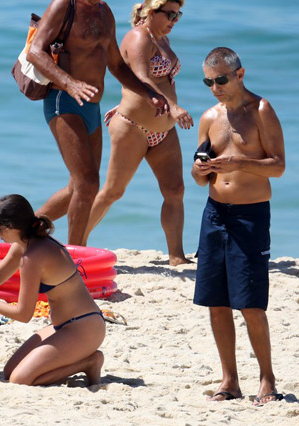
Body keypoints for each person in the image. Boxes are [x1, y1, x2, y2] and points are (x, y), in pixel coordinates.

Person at [25, 0, 169, 246]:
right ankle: (75, 255)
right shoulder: (64, 6)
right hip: (63, 100)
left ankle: (23, 231)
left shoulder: (105, 12)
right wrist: (70, 83)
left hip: (92, 106)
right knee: (88, 183)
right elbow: (35, 51)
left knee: (79, 187)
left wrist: (148, 93)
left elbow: (116, 65)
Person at [192, 47, 285, 405]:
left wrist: (239, 162)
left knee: (250, 305)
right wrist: (200, 171)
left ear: (239, 74)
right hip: (215, 213)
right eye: (208, 81)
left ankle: (267, 379)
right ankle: (229, 380)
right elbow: (199, 178)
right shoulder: (209, 117)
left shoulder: (261, 111)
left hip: (250, 215)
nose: (214, 87)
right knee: (216, 302)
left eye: (221, 80)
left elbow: (278, 166)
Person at [0, 194, 106, 386]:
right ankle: (82, 360)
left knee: (20, 379)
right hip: (63, 326)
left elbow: (23, 314)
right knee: (9, 372)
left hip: (83, 328)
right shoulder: (24, 244)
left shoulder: (33, 257)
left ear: (11, 226)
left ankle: (89, 362)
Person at [84, 0, 192, 265]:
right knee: (113, 192)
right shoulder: (137, 37)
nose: (175, 20)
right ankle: (76, 244)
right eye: (170, 14)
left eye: (178, 15)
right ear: (150, 11)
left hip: (164, 131)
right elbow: (141, 77)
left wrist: (171, 112)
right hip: (132, 126)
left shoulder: (162, 39)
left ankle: (177, 257)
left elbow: (163, 80)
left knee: (175, 190)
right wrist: (175, 108)